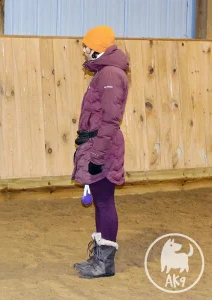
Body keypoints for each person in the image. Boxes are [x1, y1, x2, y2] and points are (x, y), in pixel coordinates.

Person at [71, 25, 129, 278]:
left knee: (105, 201)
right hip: (97, 143)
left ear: (97, 48)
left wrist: (97, 155)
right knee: (100, 201)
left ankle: (105, 263)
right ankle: (99, 257)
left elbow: (110, 119)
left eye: (87, 46)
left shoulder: (110, 76)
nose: (83, 50)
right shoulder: (105, 73)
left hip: (103, 146)